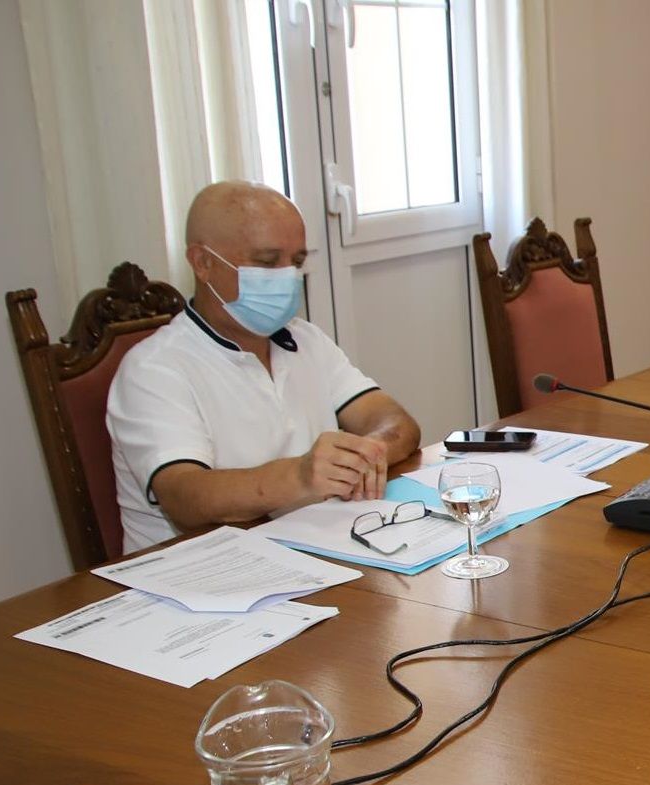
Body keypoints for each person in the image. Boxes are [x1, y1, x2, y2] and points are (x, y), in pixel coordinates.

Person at [108, 181, 420, 552]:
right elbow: (184, 497)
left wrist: (367, 452)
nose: (288, 276)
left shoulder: (304, 338)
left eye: (298, 262)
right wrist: (301, 475)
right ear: (203, 262)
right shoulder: (154, 369)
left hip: (314, 549)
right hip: (200, 575)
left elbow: (394, 422)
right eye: (268, 261)